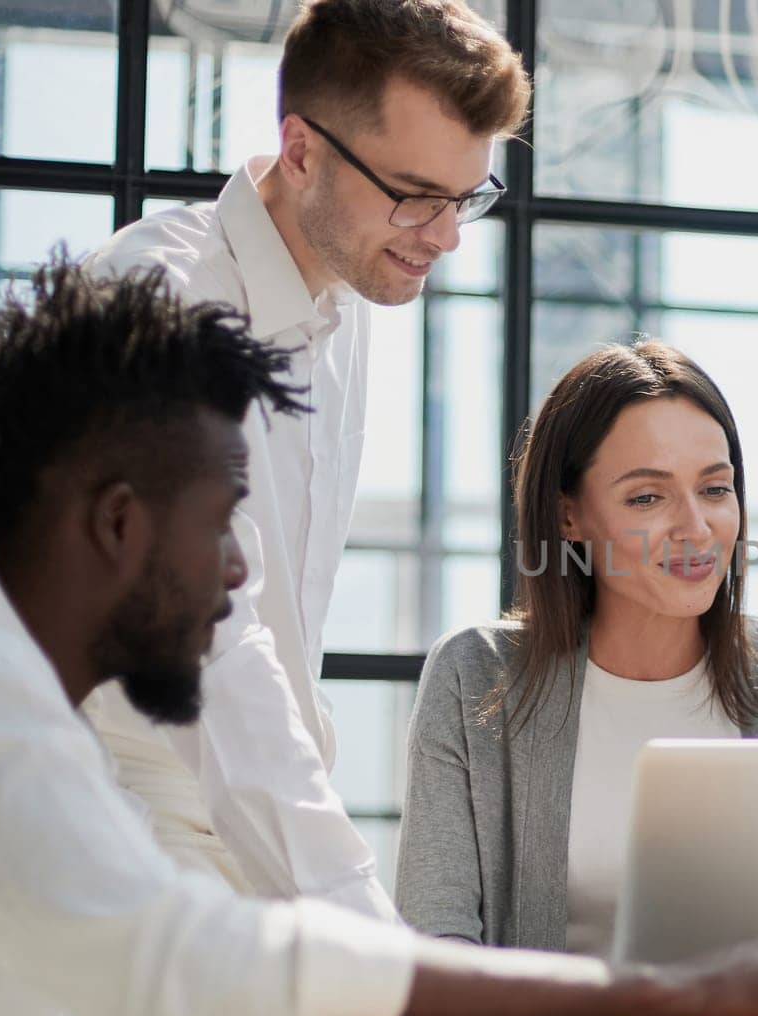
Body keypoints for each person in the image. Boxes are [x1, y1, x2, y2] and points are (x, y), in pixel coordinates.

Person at [0, 261, 758, 1016]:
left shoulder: (7, 701)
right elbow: (203, 970)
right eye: (223, 527)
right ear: (119, 524)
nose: (236, 579)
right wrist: (666, 1001)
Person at [80, 0, 530, 923]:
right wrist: (352, 912)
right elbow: (212, 639)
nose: (446, 237)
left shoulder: (345, 297)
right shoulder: (160, 300)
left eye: (466, 198)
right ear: (301, 151)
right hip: (130, 821)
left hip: (254, 820)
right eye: (415, 194)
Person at [396, 340, 758, 954]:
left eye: (716, 490)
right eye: (648, 497)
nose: (696, 529)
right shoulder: (474, 676)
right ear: (569, 518)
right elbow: (436, 951)